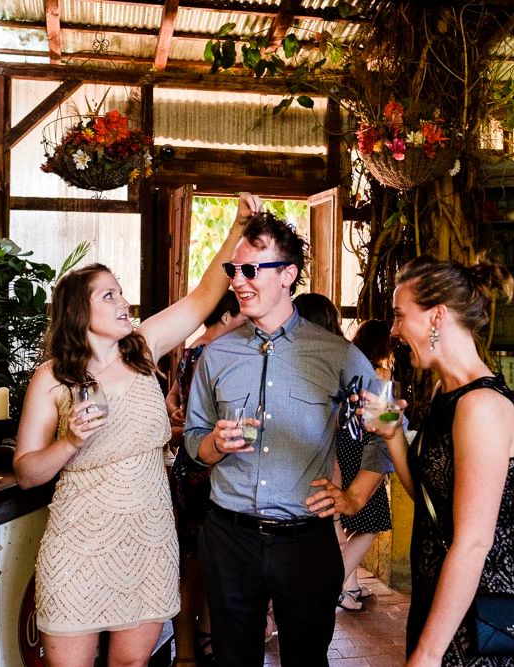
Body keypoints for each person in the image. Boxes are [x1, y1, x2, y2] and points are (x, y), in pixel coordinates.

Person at [13, 193, 262, 667]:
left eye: (121, 291)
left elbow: (204, 297)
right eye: (109, 295)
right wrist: (71, 441)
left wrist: (236, 229)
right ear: (79, 312)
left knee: (132, 665)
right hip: (78, 543)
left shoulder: (142, 348)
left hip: (149, 538)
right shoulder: (52, 378)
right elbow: (27, 472)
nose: (124, 300)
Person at [183, 211, 392, 667]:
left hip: (306, 543)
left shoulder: (339, 353)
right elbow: (193, 440)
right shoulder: (215, 355)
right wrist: (215, 445)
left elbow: (388, 428)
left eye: (251, 269)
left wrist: (355, 497)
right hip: (228, 537)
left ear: (288, 275)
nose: (238, 281)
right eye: (233, 270)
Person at [362, 254, 514, 665]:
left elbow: (472, 543)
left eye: (400, 316)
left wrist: (428, 654)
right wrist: (393, 434)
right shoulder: (442, 393)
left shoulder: (481, 407)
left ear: (437, 316)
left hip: (479, 615)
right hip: (439, 601)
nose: (395, 331)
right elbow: (429, 500)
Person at [292, 298, 394, 612]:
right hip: (343, 458)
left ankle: (337, 589)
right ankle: (335, 589)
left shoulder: (341, 362)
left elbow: (386, 421)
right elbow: (385, 422)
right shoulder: (351, 365)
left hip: (321, 466)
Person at [165, 290, 245, 667]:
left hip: (191, 465)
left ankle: (191, 646)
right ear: (227, 316)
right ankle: (193, 646)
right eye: (241, 315)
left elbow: (175, 399)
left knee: (195, 561)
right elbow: (204, 420)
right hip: (204, 468)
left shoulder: (191, 350)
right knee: (201, 563)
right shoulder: (210, 353)